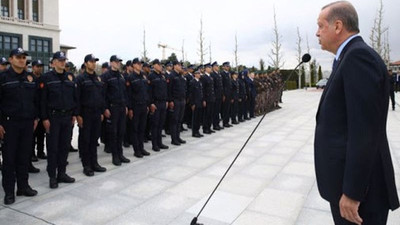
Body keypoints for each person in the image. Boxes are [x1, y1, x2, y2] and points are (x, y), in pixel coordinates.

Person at [314, 1, 399, 224]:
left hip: (362, 196)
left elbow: (364, 132)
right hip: (350, 187)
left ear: (338, 26)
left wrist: (352, 193)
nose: (317, 32)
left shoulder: (358, 58)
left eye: (321, 26)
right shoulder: (347, 57)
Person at [0, 48, 39, 205]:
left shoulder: (30, 77)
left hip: (27, 123)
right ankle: (9, 191)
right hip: (9, 124)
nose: (22, 60)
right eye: (18, 57)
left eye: (23, 57)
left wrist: (36, 117)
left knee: (24, 157)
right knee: (9, 159)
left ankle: (23, 186)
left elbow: (36, 100)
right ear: (10, 59)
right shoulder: (3, 78)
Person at [40, 51, 77, 189]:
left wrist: (74, 113)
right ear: (54, 62)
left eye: (64, 60)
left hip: (67, 117)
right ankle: (52, 176)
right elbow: (42, 101)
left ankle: (62, 173)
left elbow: (74, 98)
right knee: (53, 148)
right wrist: (44, 118)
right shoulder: (47, 78)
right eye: (60, 60)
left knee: (64, 147)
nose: (63, 62)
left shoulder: (70, 77)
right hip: (53, 118)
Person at [76, 54, 107, 177]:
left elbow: (101, 97)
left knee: (94, 140)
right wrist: (78, 115)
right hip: (85, 114)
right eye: (91, 61)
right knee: (86, 140)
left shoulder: (98, 79)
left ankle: (94, 163)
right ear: (85, 63)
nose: (93, 63)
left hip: (96, 113)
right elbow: (77, 99)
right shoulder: (80, 79)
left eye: (95, 61)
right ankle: (87, 165)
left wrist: (101, 111)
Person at [102, 55, 130, 166]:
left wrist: (126, 105)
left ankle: (120, 154)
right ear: (111, 63)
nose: (118, 63)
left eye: (119, 62)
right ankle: (115, 156)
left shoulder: (121, 76)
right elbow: (103, 94)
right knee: (113, 133)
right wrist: (105, 108)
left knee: (121, 131)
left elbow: (125, 93)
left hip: (122, 107)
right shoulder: (106, 76)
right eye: (116, 61)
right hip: (112, 108)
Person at [127, 58, 150, 158]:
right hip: (135, 106)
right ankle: (136, 150)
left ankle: (141, 148)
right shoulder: (130, 77)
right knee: (135, 129)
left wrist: (147, 104)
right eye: (138, 64)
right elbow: (128, 94)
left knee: (142, 128)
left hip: (144, 105)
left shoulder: (144, 76)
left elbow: (146, 92)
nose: (140, 65)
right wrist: (130, 108)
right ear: (133, 65)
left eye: (141, 64)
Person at [148, 59, 169, 152]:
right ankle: (154, 144)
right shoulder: (151, 76)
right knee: (155, 124)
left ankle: (159, 142)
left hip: (163, 102)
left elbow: (165, 89)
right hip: (155, 103)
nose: (161, 66)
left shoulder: (162, 76)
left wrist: (166, 100)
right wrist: (151, 103)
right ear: (154, 65)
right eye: (159, 65)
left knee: (161, 124)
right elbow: (149, 91)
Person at [166, 61, 187, 146]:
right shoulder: (171, 76)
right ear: (174, 66)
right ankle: (173, 139)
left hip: (181, 100)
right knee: (174, 120)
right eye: (179, 65)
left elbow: (183, 88)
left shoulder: (180, 76)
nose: (180, 67)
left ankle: (178, 137)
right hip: (175, 100)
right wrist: (170, 100)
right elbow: (169, 89)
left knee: (179, 120)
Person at [200, 63, 216, 134]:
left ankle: (209, 127)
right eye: (209, 68)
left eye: (210, 68)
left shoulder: (210, 77)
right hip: (207, 98)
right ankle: (205, 128)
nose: (210, 69)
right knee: (206, 114)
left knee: (210, 113)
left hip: (211, 98)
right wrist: (203, 99)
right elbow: (202, 89)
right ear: (206, 68)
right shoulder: (203, 77)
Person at [189, 70, 205, 138]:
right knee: (195, 118)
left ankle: (197, 131)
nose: (199, 75)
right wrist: (192, 103)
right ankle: (194, 132)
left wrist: (203, 100)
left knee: (198, 118)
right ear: (195, 74)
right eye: (198, 73)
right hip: (195, 102)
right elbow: (191, 94)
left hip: (200, 102)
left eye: (199, 74)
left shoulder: (199, 82)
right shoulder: (192, 82)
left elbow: (201, 93)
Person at [211, 61, 224, 131]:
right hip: (215, 95)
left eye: (218, 66)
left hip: (219, 95)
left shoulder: (218, 74)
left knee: (218, 110)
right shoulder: (212, 75)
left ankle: (217, 124)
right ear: (213, 67)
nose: (218, 67)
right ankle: (215, 125)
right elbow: (213, 86)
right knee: (215, 111)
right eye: (216, 66)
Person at [221, 62, 232, 127]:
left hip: (229, 93)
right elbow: (222, 85)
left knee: (228, 108)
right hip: (225, 94)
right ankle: (225, 122)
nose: (228, 67)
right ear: (224, 67)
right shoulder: (222, 74)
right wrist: (223, 94)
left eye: (228, 66)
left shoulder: (228, 74)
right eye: (227, 66)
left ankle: (227, 121)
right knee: (225, 109)